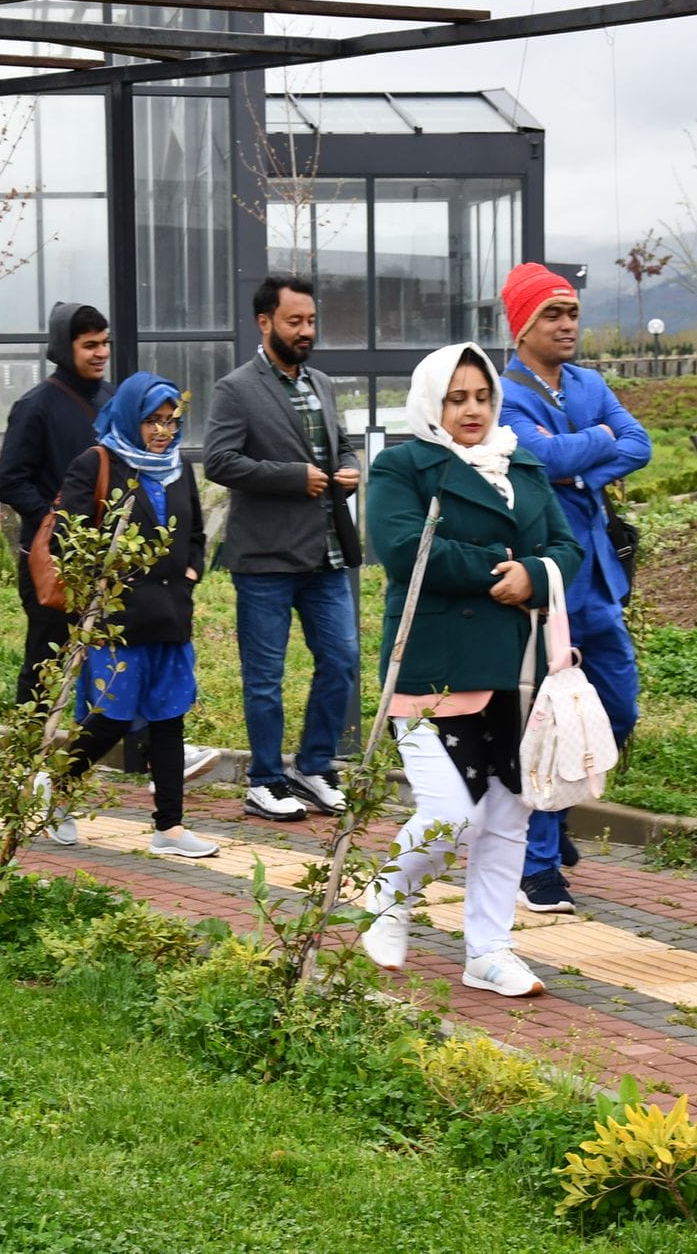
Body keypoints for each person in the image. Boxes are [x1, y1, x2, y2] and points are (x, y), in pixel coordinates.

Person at [357, 343, 584, 998]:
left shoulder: (524, 463)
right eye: (457, 398)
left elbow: (566, 548)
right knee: (452, 812)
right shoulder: (405, 465)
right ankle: (389, 892)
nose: (472, 410)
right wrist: (499, 571)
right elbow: (403, 549)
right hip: (434, 666)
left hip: (515, 668)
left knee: (509, 812)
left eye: (482, 396)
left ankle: (489, 949)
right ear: (433, 402)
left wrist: (535, 575)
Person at [496, 262, 650, 915]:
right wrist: (594, 446)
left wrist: (576, 465)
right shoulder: (507, 393)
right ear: (523, 325)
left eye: (572, 313)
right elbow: (539, 460)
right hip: (546, 577)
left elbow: (638, 445)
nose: (567, 325)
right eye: (552, 315)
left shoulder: (587, 382)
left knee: (618, 707)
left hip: (598, 583)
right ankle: (539, 865)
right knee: (548, 716)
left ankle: (551, 824)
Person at [39, 372, 217, 858]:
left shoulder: (179, 468)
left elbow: (196, 533)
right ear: (130, 418)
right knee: (111, 717)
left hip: (170, 616)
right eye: (151, 421)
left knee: (169, 716)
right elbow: (65, 538)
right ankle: (56, 789)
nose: (162, 432)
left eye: (170, 421)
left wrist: (192, 572)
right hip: (118, 618)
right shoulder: (96, 464)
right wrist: (104, 576)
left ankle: (170, 826)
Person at [204, 275, 361, 823]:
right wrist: (293, 476)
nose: (306, 331)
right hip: (266, 559)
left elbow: (343, 444)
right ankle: (265, 779)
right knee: (265, 679)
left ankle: (313, 767)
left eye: (311, 321)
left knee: (342, 661)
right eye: (295, 321)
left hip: (326, 556)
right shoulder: (236, 388)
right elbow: (219, 462)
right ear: (264, 322)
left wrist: (351, 469)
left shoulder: (322, 382)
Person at [0, 303, 114, 708]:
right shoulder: (36, 406)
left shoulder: (111, 397)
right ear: (66, 348)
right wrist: (56, 520)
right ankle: (28, 762)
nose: (101, 353)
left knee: (120, 660)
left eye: (105, 342)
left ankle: (136, 753)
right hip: (53, 563)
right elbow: (9, 481)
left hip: (107, 558)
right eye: (90, 345)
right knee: (45, 666)